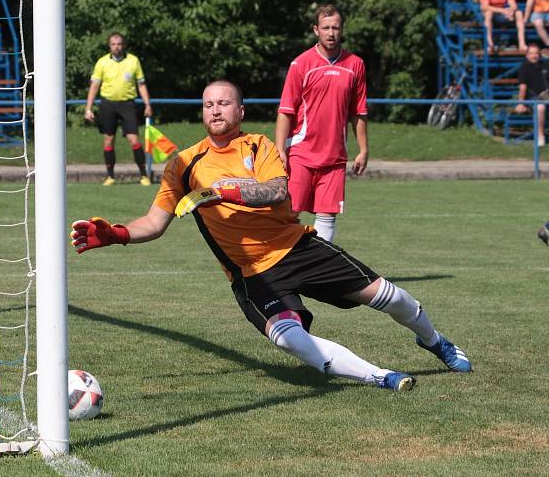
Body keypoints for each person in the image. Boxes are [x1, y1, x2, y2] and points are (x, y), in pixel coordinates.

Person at [71, 80, 473, 392]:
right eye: (209, 104)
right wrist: (117, 234)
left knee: (390, 297)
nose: (216, 109)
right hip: (251, 274)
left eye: (224, 102)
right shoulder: (183, 164)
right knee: (288, 338)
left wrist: (229, 189)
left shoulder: (258, 145)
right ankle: (379, 376)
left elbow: (276, 191)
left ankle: (435, 341)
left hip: (298, 247)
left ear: (240, 110)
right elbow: (155, 223)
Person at [275, 4, 367, 243]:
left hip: (335, 158)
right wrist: (279, 150)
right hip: (301, 153)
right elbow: (285, 111)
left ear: (342, 29)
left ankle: (319, 273)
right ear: (316, 30)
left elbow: (359, 112)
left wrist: (363, 150)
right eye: (325, 27)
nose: (331, 33)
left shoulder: (355, 65)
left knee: (327, 217)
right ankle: (282, 269)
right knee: (290, 214)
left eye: (335, 27)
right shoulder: (301, 65)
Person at [84, 32, 153, 186]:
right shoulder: (102, 62)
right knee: (108, 139)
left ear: (123, 45)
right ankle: (110, 176)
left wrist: (147, 104)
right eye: (113, 44)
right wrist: (88, 108)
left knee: (133, 139)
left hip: (127, 104)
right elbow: (94, 86)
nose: (116, 47)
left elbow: (141, 84)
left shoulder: (133, 61)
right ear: (109, 46)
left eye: (119, 44)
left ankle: (143, 175)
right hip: (108, 104)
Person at [515, 43, 549, 146]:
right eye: (531, 53)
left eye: (536, 53)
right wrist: (520, 103)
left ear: (539, 54)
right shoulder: (524, 67)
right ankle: (540, 136)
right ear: (527, 55)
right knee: (540, 108)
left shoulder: (545, 64)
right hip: (533, 99)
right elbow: (522, 88)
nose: (534, 56)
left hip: (546, 96)